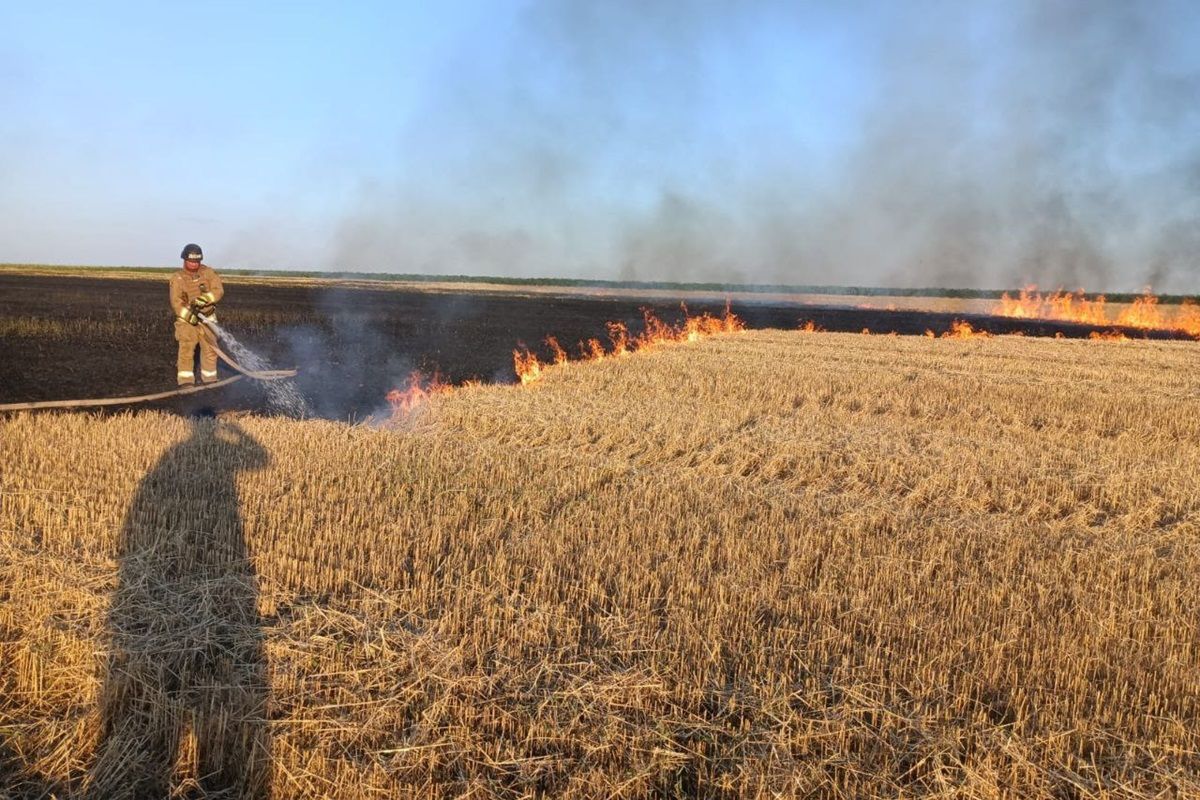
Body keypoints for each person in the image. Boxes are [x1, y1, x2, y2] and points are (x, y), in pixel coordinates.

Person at [169, 243, 224, 385]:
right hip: (187, 321)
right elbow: (176, 302)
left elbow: (218, 291)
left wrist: (205, 299)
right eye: (191, 261)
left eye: (196, 262)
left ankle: (210, 379)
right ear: (184, 260)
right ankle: (186, 382)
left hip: (208, 318)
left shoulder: (209, 273)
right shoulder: (178, 278)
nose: (194, 264)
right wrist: (189, 316)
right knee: (186, 349)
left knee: (210, 350)